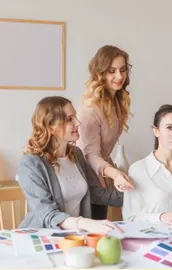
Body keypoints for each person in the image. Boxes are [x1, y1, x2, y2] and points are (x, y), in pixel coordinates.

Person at [17, 96, 123, 233]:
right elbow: (48, 214)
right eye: (69, 119)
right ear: (50, 126)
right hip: (41, 237)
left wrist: (140, 194)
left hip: (74, 236)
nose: (78, 123)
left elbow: (97, 193)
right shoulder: (30, 164)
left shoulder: (76, 154)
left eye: (75, 117)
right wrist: (86, 224)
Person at [77, 45, 134, 220]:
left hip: (101, 171)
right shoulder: (91, 107)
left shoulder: (116, 100)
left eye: (122, 70)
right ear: (100, 73)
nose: (119, 76)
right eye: (112, 71)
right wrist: (114, 173)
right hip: (85, 176)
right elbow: (90, 154)